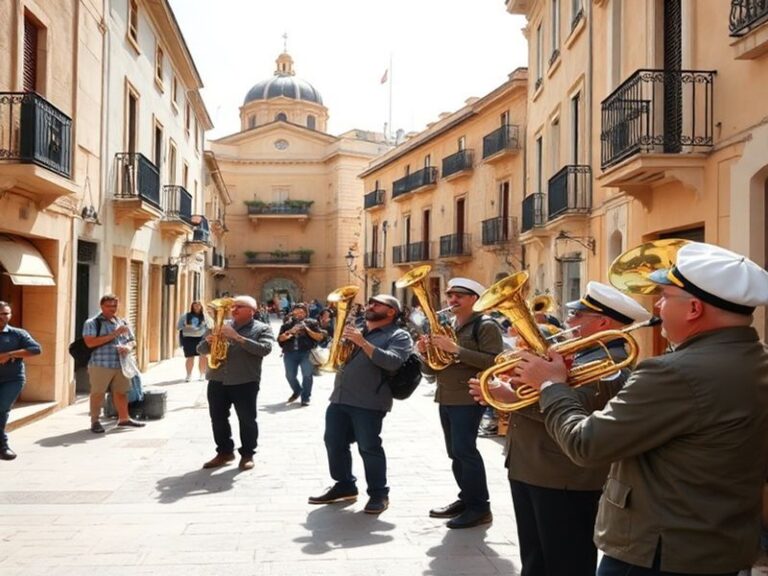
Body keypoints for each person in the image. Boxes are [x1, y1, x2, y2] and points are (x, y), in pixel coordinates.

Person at [510, 242, 768, 576]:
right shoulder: (758, 360)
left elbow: (585, 444)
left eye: (664, 296)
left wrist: (550, 385)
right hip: (722, 545)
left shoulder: (672, 373)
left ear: (694, 309)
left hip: (657, 551)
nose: (657, 306)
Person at [471, 281, 652, 576]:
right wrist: (516, 384)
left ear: (603, 323)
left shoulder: (612, 362)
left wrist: (510, 398)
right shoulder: (579, 354)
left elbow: (578, 409)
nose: (568, 320)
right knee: (536, 561)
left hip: (564, 476)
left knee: (566, 563)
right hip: (535, 467)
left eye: (578, 315)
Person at [308, 294, 412, 514]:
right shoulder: (359, 330)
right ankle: (344, 485)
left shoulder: (399, 335)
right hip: (340, 397)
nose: (370, 306)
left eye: (377, 304)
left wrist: (362, 343)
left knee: (369, 447)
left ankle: (378, 494)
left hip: (369, 401)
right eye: (370, 303)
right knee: (333, 442)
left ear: (391, 311)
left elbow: (393, 362)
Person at [418, 277, 503, 529]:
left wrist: (455, 349)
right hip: (446, 395)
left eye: (459, 296)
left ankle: (480, 507)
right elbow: (432, 370)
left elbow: (495, 362)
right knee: (454, 452)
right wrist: (425, 353)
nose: (452, 300)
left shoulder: (486, 325)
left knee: (465, 451)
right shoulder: (450, 325)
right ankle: (467, 498)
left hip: (468, 396)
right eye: (450, 295)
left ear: (474, 299)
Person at [197, 295, 273, 471]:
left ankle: (247, 454)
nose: (234, 309)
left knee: (247, 419)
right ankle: (224, 452)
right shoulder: (220, 325)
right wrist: (208, 341)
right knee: (218, 418)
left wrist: (238, 337)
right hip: (217, 379)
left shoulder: (262, 328)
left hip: (244, 380)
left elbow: (264, 349)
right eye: (233, 306)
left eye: (240, 306)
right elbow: (200, 349)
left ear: (252, 311)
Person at [83, 294, 145, 433]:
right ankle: (95, 421)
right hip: (101, 364)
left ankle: (124, 419)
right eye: (109, 306)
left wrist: (128, 347)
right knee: (98, 393)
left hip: (121, 364)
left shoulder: (122, 322)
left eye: (115, 306)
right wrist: (114, 334)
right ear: (101, 306)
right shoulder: (92, 323)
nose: (112, 309)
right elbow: (90, 342)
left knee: (121, 393)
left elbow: (132, 340)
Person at [0, 301, 42, 460]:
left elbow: (36, 349)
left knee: (1, 407)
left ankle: (3, 446)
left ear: (10, 315)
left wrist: (10, 354)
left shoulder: (18, 334)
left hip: (12, 379)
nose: (2, 317)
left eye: (5, 314)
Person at [277, 303, 326, 406]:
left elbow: (320, 337)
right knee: (290, 376)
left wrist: (307, 329)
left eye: (302, 312)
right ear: (293, 313)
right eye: (297, 312)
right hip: (290, 353)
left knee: (307, 375)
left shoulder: (312, 323)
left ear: (306, 313)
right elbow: (280, 339)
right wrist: (290, 332)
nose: (299, 314)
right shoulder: (287, 324)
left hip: (306, 353)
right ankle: (297, 390)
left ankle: (305, 397)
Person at [177, 301, 211, 382]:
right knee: (190, 357)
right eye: (195, 306)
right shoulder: (185, 316)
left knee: (203, 356)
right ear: (192, 306)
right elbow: (178, 327)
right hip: (188, 339)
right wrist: (186, 326)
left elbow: (210, 327)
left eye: (198, 306)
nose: (197, 307)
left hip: (202, 338)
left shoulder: (205, 316)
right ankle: (188, 375)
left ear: (201, 307)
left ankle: (202, 374)